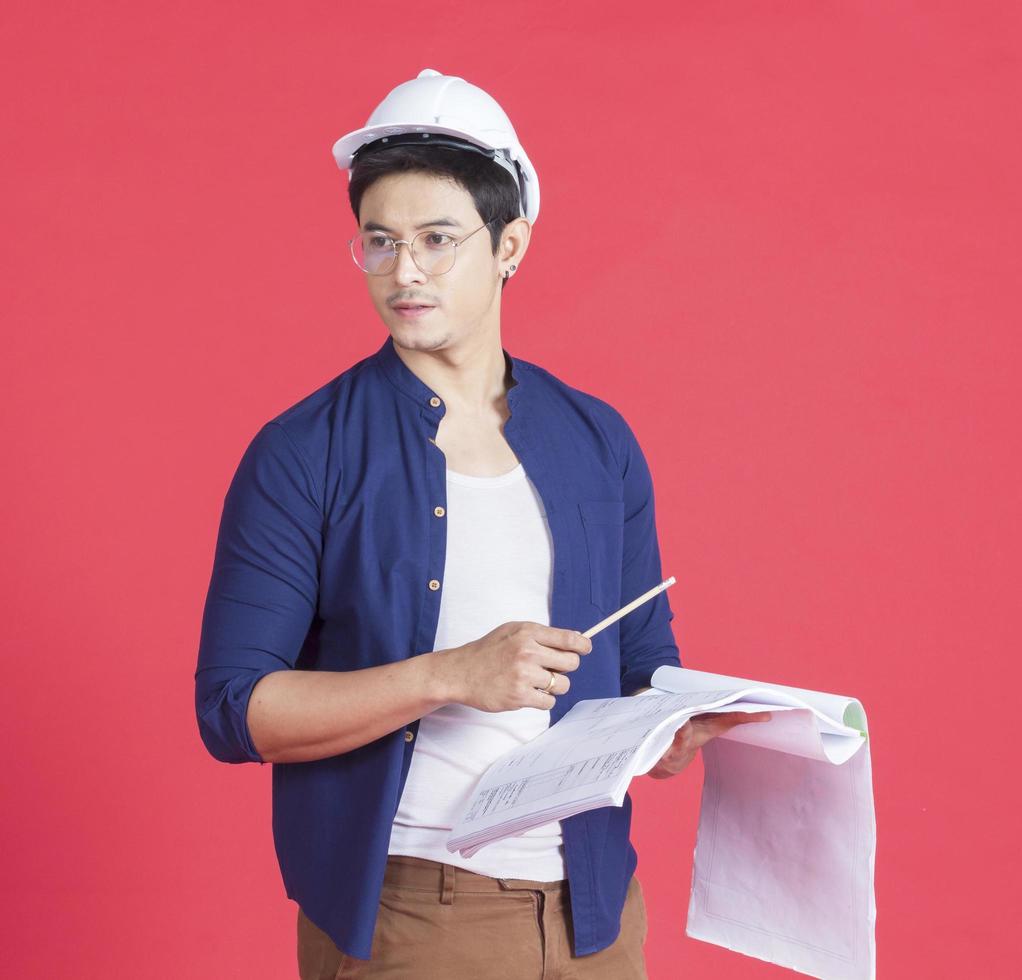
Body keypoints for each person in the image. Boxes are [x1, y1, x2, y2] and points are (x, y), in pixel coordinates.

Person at [193, 68, 767, 979]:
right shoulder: (304, 452)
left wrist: (670, 732)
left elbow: (638, 662)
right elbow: (234, 711)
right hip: (413, 916)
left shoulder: (597, 440)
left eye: (436, 239)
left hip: (598, 915)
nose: (403, 270)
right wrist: (450, 675)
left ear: (510, 244)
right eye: (378, 242)